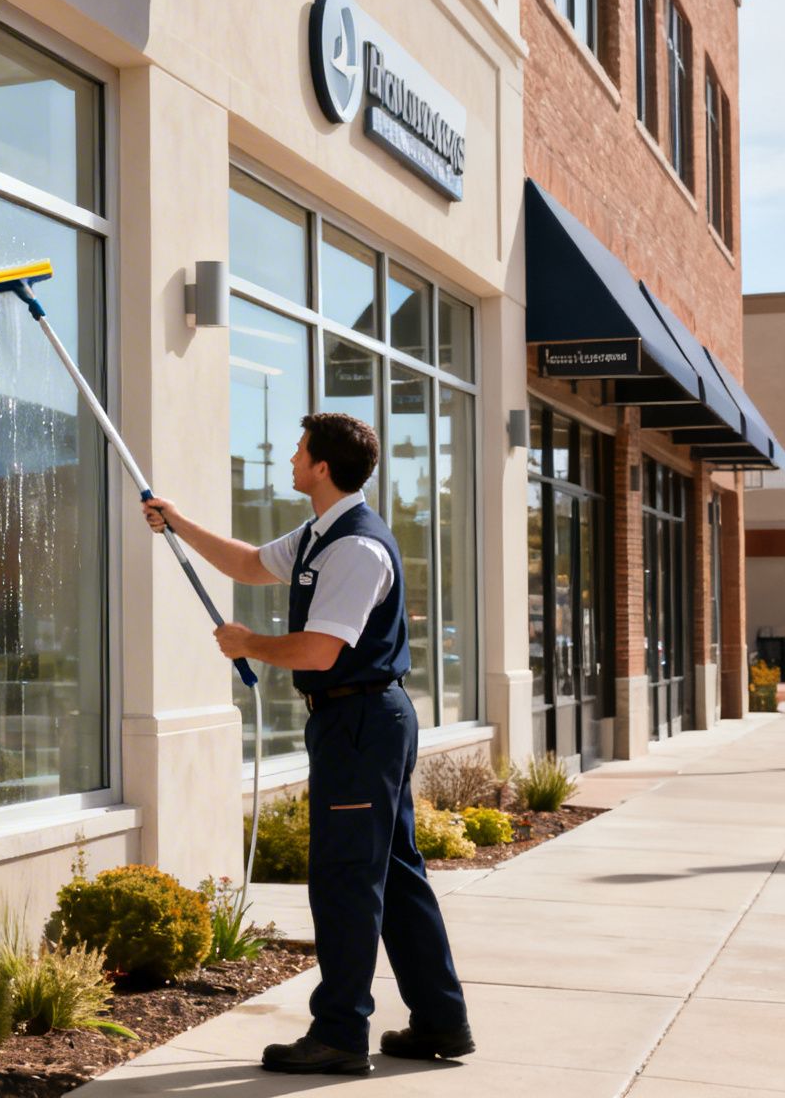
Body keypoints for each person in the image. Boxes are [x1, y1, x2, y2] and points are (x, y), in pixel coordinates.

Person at [142, 412, 472, 1076]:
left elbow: (320, 651)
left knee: (347, 881)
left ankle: (340, 1034)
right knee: (397, 877)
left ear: (322, 467)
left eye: (298, 451)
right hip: (357, 723)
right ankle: (441, 1021)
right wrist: (176, 521)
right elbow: (248, 562)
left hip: (360, 725)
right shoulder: (323, 533)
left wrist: (250, 646)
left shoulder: (356, 547)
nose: (290, 459)